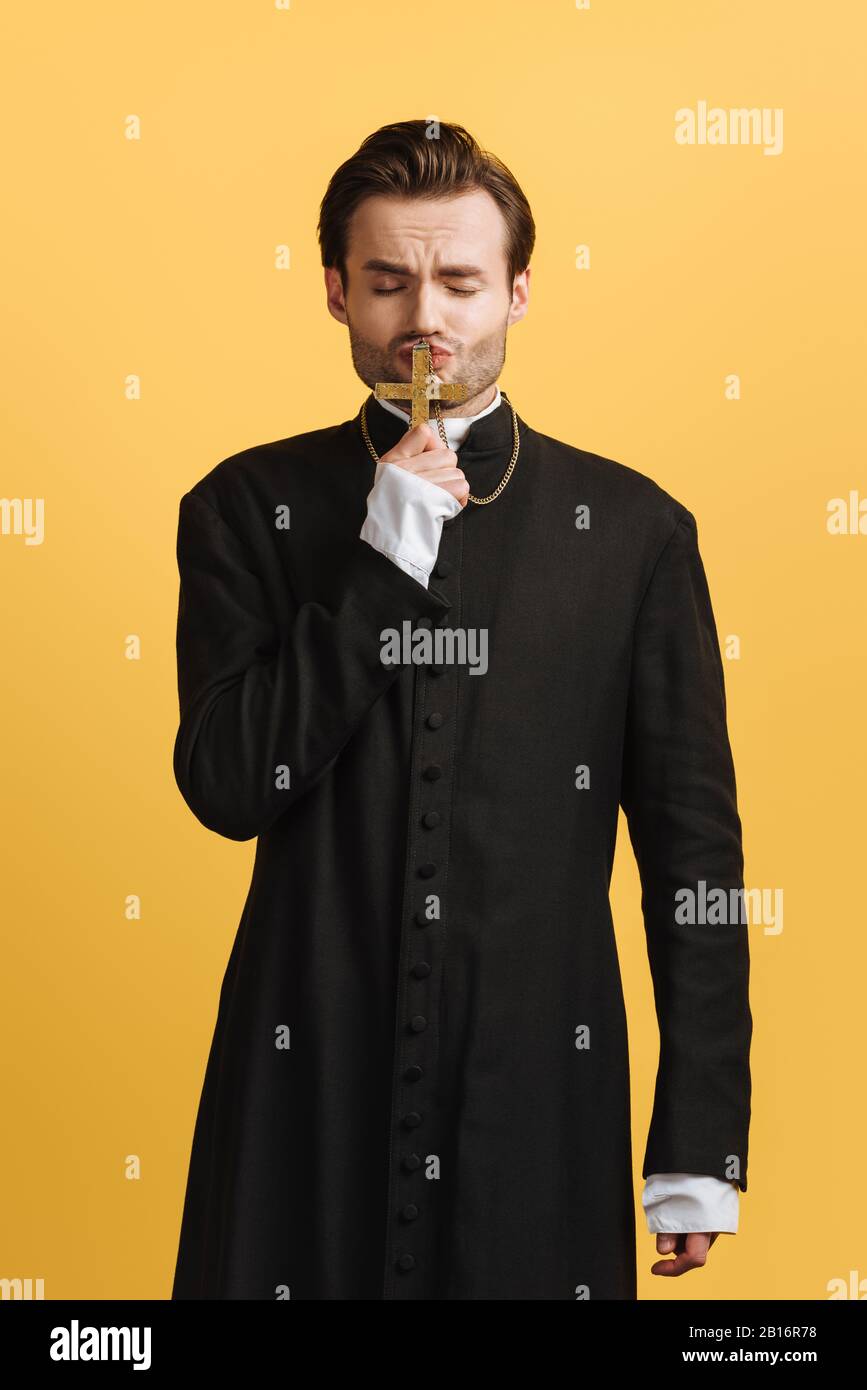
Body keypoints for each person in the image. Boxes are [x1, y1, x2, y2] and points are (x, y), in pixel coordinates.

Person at [170, 119, 751, 1300]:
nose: (424, 316)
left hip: (537, 1084)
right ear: (337, 291)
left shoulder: (636, 532)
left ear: (520, 290)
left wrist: (702, 1142)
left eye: (460, 279)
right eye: (387, 280)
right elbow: (230, 788)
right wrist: (379, 563)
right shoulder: (245, 505)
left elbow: (695, 852)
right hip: (302, 1085)